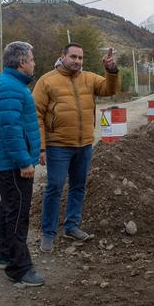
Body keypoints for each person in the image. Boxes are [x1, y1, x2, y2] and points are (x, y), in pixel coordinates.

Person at [33, 43, 120, 252]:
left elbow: (110, 89)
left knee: (78, 186)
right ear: (62, 56)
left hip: (84, 144)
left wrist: (111, 70)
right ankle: (48, 233)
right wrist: (41, 148)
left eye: (80, 58)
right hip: (58, 146)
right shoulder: (47, 81)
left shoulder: (89, 78)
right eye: (73, 57)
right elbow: (36, 115)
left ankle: (71, 226)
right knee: (54, 188)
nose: (77, 61)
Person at [0, 41, 44, 286]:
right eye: (31, 59)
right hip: (13, 164)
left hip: (9, 162)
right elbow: (10, 129)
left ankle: (5, 256)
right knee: (17, 213)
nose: (34, 63)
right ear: (22, 62)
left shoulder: (10, 83)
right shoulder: (9, 87)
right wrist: (24, 161)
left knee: (8, 208)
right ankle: (19, 268)